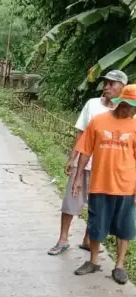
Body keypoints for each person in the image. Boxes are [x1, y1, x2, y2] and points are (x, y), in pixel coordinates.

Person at [48, 70, 127, 256]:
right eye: (105, 83)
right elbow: (81, 132)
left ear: (123, 87)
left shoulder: (126, 112)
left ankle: (87, 240)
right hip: (84, 163)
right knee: (71, 201)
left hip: (107, 169)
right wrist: (72, 157)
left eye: (111, 84)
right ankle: (63, 239)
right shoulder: (92, 105)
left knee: (98, 207)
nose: (106, 87)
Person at [71, 84, 136, 285]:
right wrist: (77, 178)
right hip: (100, 183)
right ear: (121, 102)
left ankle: (119, 266)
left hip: (126, 186)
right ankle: (93, 261)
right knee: (96, 224)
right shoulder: (98, 121)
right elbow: (85, 151)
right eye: (130, 105)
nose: (132, 110)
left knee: (124, 227)